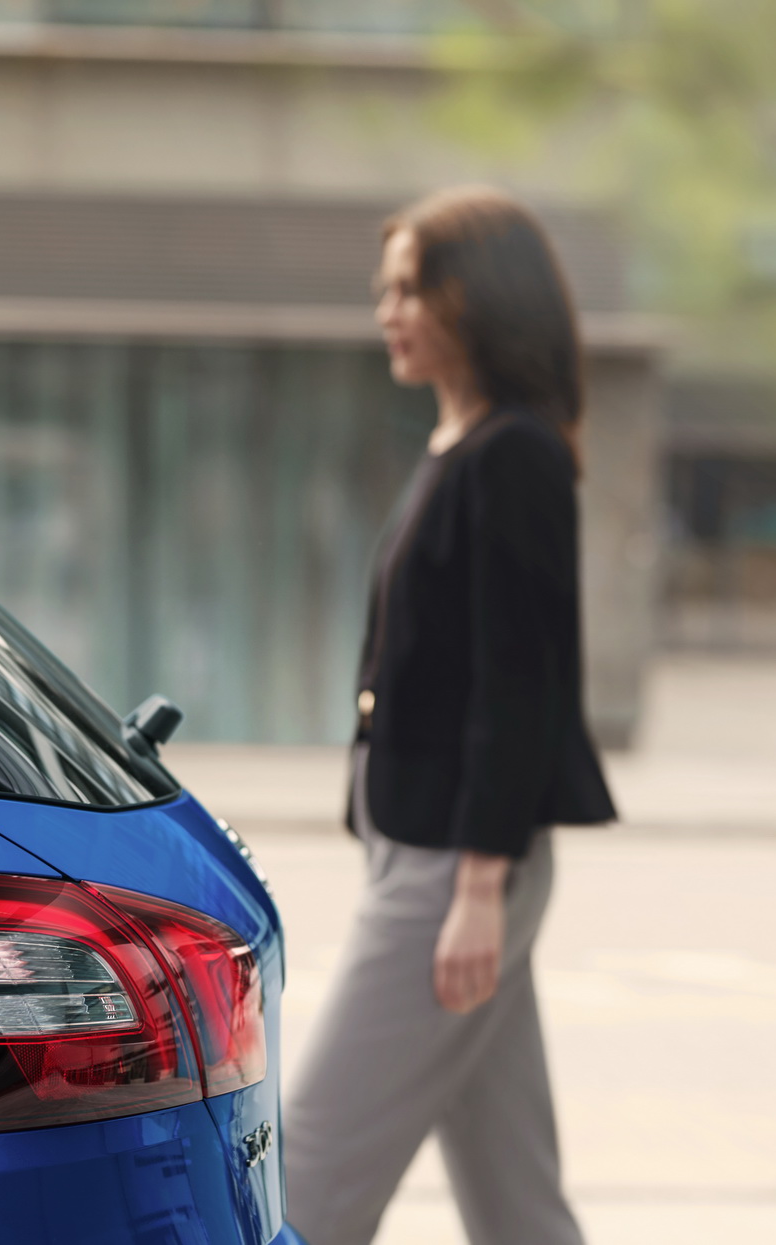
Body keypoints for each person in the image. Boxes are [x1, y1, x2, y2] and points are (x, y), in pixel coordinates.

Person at [283, 186, 617, 1245]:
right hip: (421, 849)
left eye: (410, 288)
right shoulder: (462, 444)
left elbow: (519, 680)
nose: (388, 310)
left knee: (310, 1168)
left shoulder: (512, 454)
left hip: (455, 866)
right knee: (514, 1194)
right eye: (383, 289)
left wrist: (478, 885)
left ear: (476, 299)